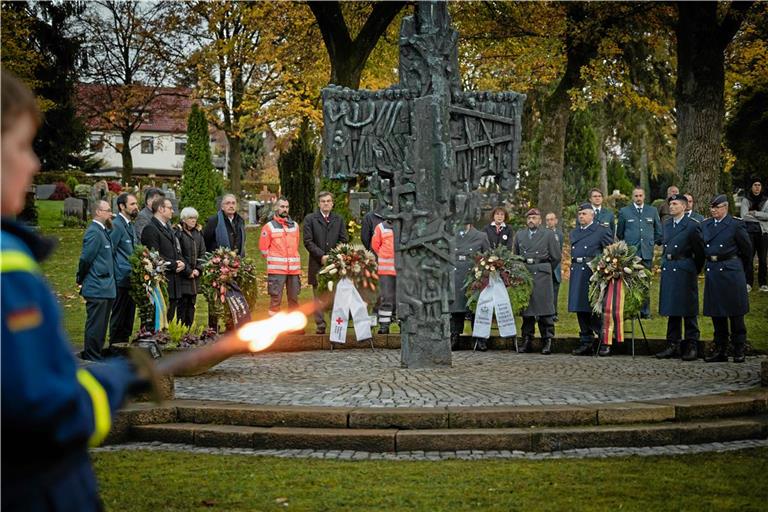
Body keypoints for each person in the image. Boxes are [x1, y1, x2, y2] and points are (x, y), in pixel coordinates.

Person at [2, 69, 141, 511]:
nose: (33, 165)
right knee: (96, 330)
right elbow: (40, 406)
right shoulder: (9, 267)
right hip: (38, 491)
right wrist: (115, 380)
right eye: (22, 146)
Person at [702, 194, 752, 363]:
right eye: (712, 207)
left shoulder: (735, 225)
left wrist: (738, 268)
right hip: (713, 270)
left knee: (735, 312)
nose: (713, 210)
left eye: (716, 207)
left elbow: (747, 251)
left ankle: (739, 348)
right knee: (717, 313)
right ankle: (721, 349)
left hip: (731, 271)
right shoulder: (706, 224)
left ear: (725, 207)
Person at [655, 194, 705, 361]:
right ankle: (672, 344)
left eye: (675, 204)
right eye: (671, 204)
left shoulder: (692, 225)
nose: (672, 206)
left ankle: (691, 344)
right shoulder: (667, 224)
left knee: (688, 308)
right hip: (670, 267)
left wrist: (692, 268)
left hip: (685, 268)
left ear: (684, 206)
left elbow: (700, 252)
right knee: (672, 307)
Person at [514, 208, 561, 354]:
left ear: (540, 220)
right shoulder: (520, 235)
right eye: (529, 218)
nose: (531, 220)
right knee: (527, 311)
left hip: (542, 274)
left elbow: (556, 257)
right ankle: (527, 339)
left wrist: (545, 268)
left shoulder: (548, 234)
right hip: (525, 274)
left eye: (534, 218)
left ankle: (547, 340)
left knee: (545, 310)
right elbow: (515, 255)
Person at [569, 203, 614, 356]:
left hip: (592, 273)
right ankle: (586, 341)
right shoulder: (575, 232)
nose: (581, 216)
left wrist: (605, 268)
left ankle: (604, 341)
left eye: (584, 214)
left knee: (595, 308)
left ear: (592, 215)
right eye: (579, 214)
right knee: (580, 308)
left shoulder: (601, 230)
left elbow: (611, 252)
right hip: (577, 271)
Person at [76, 200, 116, 361]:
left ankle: (96, 355)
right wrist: (80, 277)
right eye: (108, 210)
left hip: (105, 287)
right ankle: (92, 358)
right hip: (97, 286)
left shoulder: (102, 231)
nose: (111, 213)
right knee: (96, 326)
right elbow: (86, 259)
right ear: (98, 212)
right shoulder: (94, 232)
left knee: (101, 327)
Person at [303, 191, 348, 334]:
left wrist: (334, 256)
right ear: (319, 204)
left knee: (335, 295)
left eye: (328, 201)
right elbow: (308, 241)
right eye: (323, 201)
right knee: (318, 295)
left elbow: (344, 240)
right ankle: (320, 325)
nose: (326, 203)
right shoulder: (310, 219)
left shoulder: (338, 219)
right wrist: (321, 256)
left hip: (335, 264)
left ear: (332, 203)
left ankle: (337, 325)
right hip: (317, 263)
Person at [616, 186, 662, 318]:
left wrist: (651, 243)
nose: (638, 198)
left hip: (646, 252)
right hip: (632, 253)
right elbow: (620, 232)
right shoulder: (625, 211)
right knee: (631, 282)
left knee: (645, 281)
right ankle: (632, 311)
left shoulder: (652, 211)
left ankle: (645, 311)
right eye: (636, 196)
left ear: (644, 196)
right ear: (632, 197)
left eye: (640, 195)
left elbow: (658, 231)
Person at [141, 197, 186, 323]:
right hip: (161, 283)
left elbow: (176, 251)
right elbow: (154, 256)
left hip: (173, 282)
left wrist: (182, 263)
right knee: (158, 321)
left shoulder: (168, 228)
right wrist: (174, 264)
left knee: (168, 320)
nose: (173, 211)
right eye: (170, 208)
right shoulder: (150, 229)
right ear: (161, 209)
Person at [450, 222, 491, 350]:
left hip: (473, 275)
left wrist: (483, 273)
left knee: (476, 307)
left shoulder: (481, 236)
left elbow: (488, 256)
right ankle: (454, 336)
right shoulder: (451, 234)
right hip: (456, 273)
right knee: (455, 308)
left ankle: (480, 338)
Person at [259, 197, 301, 316]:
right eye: (282, 207)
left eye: (287, 207)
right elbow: (263, 249)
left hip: (293, 270)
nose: (285, 209)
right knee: (275, 300)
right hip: (277, 270)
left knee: (294, 300)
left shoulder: (295, 226)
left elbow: (296, 244)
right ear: (276, 208)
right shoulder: (269, 227)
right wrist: (274, 261)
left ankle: (294, 324)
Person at [108, 192, 139, 349]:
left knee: (128, 319)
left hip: (131, 279)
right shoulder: (116, 225)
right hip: (120, 280)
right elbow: (109, 252)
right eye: (132, 204)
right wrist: (114, 274)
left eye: (136, 204)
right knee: (119, 318)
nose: (136, 207)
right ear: (122, 206)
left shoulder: (130, 225)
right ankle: (114, 349)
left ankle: (124, 350)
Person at [175, 207, 206, 327]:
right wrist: (188, 271)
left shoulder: (198, 233)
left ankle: (189, 330)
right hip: (183, 276)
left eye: (195, 218)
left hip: (195, 277)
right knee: (182, 305)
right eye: (190, 218)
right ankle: (181, 330)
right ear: (184, 219)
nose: (193, 220)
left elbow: (203, 253)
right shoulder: (178, 233)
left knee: (192, 304)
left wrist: (198, 269)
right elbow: (178, 254)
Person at [741, 178, 768, 293]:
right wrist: (761, 217)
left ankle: (763, 283)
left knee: (763, 259)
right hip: (749, 232)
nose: (757, 187)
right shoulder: (746, 200)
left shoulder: (766, 200)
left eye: (759, 185)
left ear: (761, 187)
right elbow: (744, 216)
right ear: (751, 187)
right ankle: (748, 283)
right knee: (749, 258)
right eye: (755, 185)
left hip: (763, 233)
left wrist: (755, 213)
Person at [371, 218, 397, 334]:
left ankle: (402, 324)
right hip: (385, 271)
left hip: (402, 270)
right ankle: (384, 326)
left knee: (401, 299)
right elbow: (375, 246)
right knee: (386, 298)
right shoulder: (380, 227)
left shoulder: (405, 226)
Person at [545, 212, 564, 321]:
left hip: (555, 267)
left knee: (554, 291)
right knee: (544, 291)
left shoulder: (560, 235)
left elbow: (559, 252)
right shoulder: (542, 233)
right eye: (547, 220)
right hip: (545, 266)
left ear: (556, 221)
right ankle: (543, 313)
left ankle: (553, 313)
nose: (549, 222)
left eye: (551, 219)